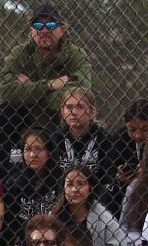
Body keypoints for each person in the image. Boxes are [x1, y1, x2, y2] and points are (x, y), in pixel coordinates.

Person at [0, 2, 90, 167]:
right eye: (38, 25)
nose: (44, 30)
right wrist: (49, 85)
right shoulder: (20, 53)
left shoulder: (76, 55)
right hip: (26, 120)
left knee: (73, 107)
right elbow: (6, 92)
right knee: (0, 114)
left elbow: (78, 94)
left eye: (50, 24)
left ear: (62, 29)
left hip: (59, 120)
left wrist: (30, 88)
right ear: (30, 31)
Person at [52, 87, 137, 218]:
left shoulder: (105, 141)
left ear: (92, 111)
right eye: (68, 107)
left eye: (80, 106)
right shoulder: (54, 140)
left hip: (96, 205)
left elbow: (108, 179)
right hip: (63, 202)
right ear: (62, 112)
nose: (74, 112)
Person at [54, 163, 132, 246]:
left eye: (80, 183)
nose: (74, 189)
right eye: (69, 184)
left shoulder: (106, 220)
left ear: (91, 188)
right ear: (63, 188)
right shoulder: (55, 219)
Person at [0, 129, 61, 246]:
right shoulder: (14, 182)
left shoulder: (61, 181)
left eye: (39, 149)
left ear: (49, 151)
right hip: (23, 244)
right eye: (28, 149)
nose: (33, 155)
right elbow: (8, 220)